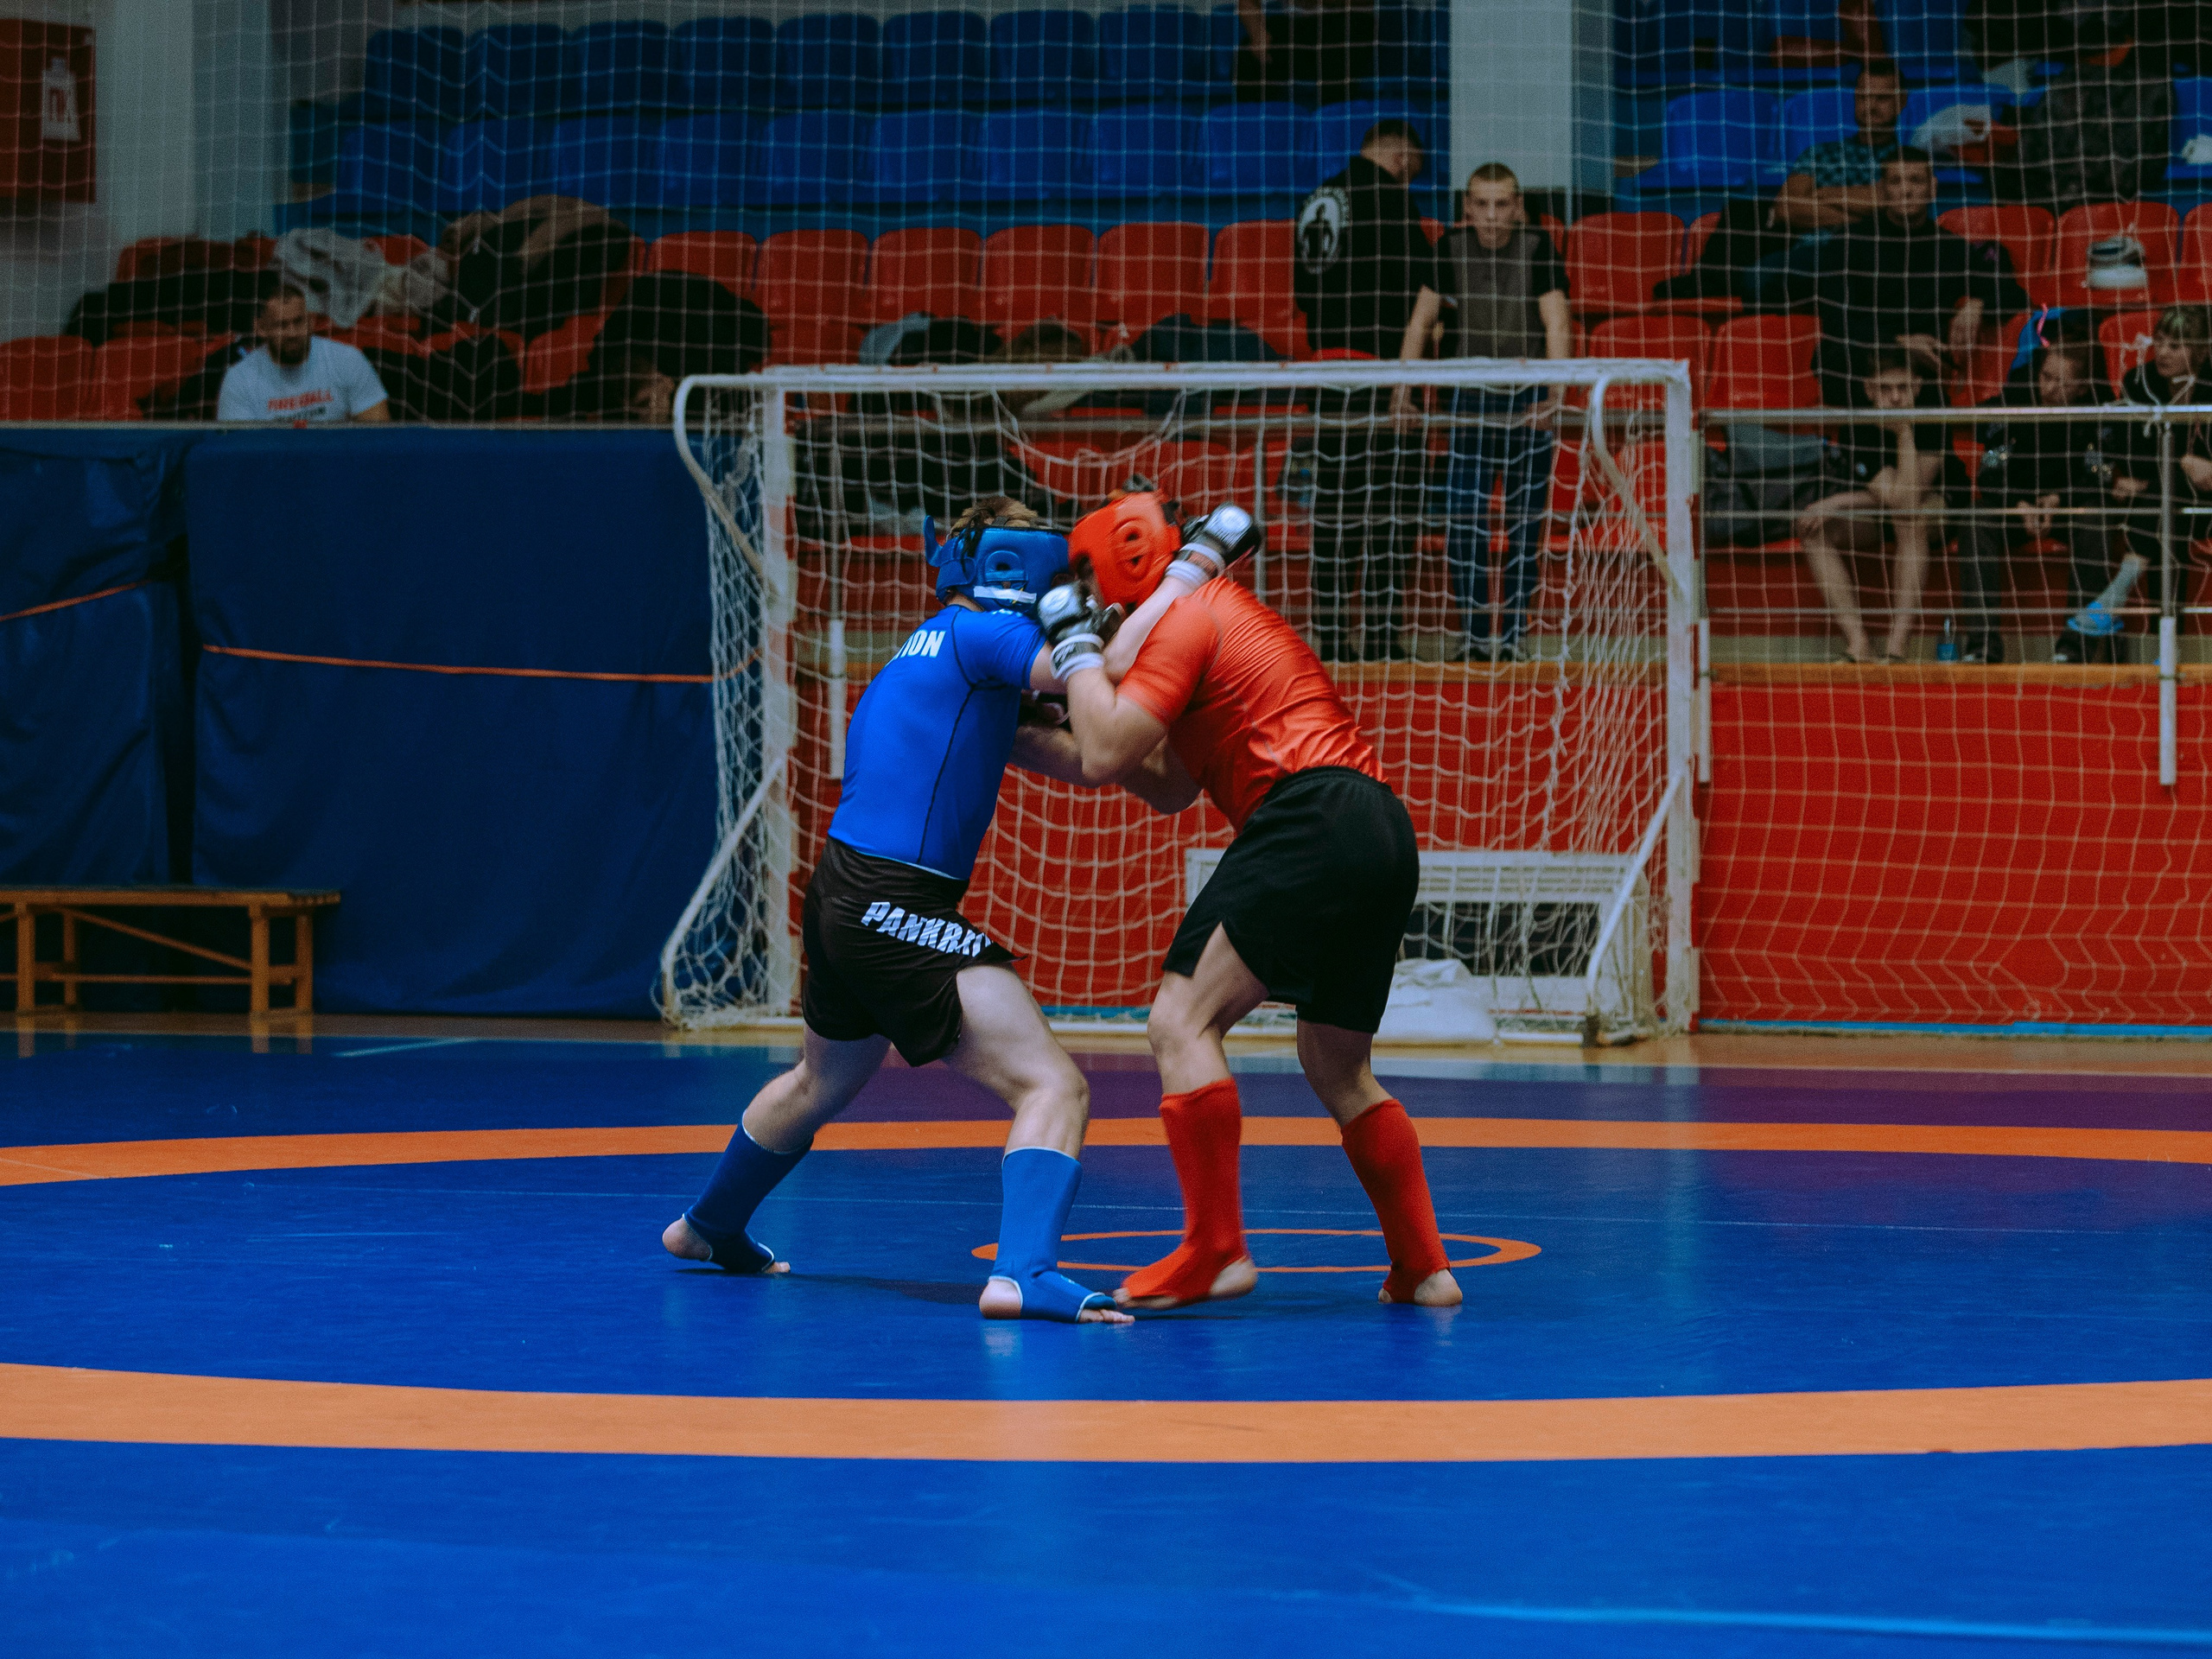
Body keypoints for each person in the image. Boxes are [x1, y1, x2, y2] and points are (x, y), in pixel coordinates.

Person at [662, 499, 1177, 1325]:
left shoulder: (936, 645)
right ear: (1015, 565)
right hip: (890, 899)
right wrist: (1180, 585)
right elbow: (1082, 674)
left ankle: (707, 1224)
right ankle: (1024, 1274)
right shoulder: (985, 638)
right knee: (1053, 1083)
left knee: (819, 1079)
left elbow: (1092, 755)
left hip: (842, 890)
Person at [1038, 490, 1462, 1313]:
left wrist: (1074, 653)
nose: (1090, 602)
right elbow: (1162, 784)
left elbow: (1105, 749)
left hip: (1308, 815)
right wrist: (1029, 739)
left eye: (1089, 582)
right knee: (1337, 1066)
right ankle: (1425, 1266)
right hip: (1374, 827)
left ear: (1122, 563)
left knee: (1179, 1021)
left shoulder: (1184, 616)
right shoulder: (1210, 610)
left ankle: (1218, 1248)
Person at [1395, 162, 1571, 663]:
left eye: (1502, 204)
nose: (1492, 216)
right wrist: (1402, 390)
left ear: (1518, 207)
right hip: (1468, 400)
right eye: (1482, 205)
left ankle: (1513, 637)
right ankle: (1474, 635)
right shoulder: (1449, 248)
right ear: (1467, 208)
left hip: (1526, 398)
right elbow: (1420, 320)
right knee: (1463, 524)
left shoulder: (1539, 249)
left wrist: (1556, 394)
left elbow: (1556, 322)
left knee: (1524, 526)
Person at [1294, 118, 1434, 660]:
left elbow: (1303, 290)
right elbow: (1419, 297)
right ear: (1400, 155)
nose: (1409, 178)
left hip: (1325, 374)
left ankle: (1330, 637)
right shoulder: (1395, 205)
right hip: (1378, 374)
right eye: (1411, 169)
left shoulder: (1316, 198)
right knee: (1387, 510)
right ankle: (1379, 636)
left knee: (1332, 510)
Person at [1806, 149, 2023, 406]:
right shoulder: (1850, 241)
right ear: (1882, 189)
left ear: (1933, 188)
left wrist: (1977, 305)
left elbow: (2015, 295)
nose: (1906, 191)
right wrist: (1899, 343)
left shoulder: (1950, 248)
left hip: (1922, 370)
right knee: (1839, 355)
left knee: (1921, 385)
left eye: (1915, 181)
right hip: (1861, 361)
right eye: (1896, 181)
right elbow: (1835, 319)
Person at [1961, 318, 2120, 664]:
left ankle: (2074, 646)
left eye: (2060, 383)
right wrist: (2017, 503)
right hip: (2016, 506)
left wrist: (2060, 501)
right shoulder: (2015, 398)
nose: (2047, 388)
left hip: (2069, 508)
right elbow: (1989, 472)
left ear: (2081, 388)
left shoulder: (2100, 408)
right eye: (2045, 376)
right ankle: (1982, 646)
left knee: (2097, 519)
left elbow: (2100, 475)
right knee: (1975, 520)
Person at [1796, 347, 1965, 663]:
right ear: (1869, 390)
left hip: (1938, 504)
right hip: (1886, 505)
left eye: (1903, 388)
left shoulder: (1933, 410)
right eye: (1886, 390)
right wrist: (1834, 507)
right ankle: (1859, 644)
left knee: (1909, 518)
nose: (1897, 398)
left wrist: (1903, 433)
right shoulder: (1857, 421)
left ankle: (1896, 648)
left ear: (1917, 386)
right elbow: (1888, 493)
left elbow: (1909, 497)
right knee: (1815, 530)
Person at [2086, 304, 2212, 661]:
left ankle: (2120, 589)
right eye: (2160, 342)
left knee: (2165, 504)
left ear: (2201, 350)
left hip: (2205, 500)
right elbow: (2128, 450)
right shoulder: (2138, 382)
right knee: (2167, 513)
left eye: (2177, 346)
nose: (2164, 353)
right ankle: (2166, 648)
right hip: (2163, 499)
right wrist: (2121, 476)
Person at [216, 283, 391, 424]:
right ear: (261, 328)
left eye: (298, 322)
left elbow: (378, 436)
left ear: (311, 321)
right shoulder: (239, 379)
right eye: (281, 325)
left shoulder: (347, 359)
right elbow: (240, 453)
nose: (292, 333)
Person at [1236, 0, 1375, 105]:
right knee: (1247, 56)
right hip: (1298, 26)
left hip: (1347, 23)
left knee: (1339, 48)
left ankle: (1332, 128)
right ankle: (1256, 131)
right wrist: (1257, 33)